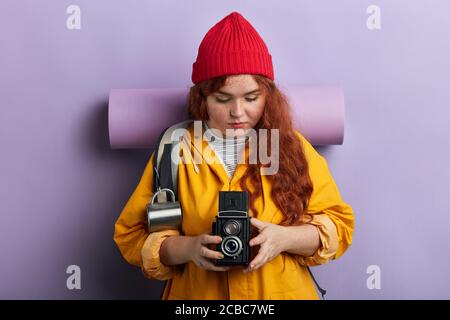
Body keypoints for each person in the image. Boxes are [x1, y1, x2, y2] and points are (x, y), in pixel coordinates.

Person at [114, 11, 354, 300]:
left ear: (269, 96)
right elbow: (132, 236)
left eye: (251, 98)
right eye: (223, 99)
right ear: (201, 98)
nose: (238, 113)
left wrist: (284, 238)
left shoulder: (293, 148)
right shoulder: (174, 151)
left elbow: (339, 227)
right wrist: (188, 249)